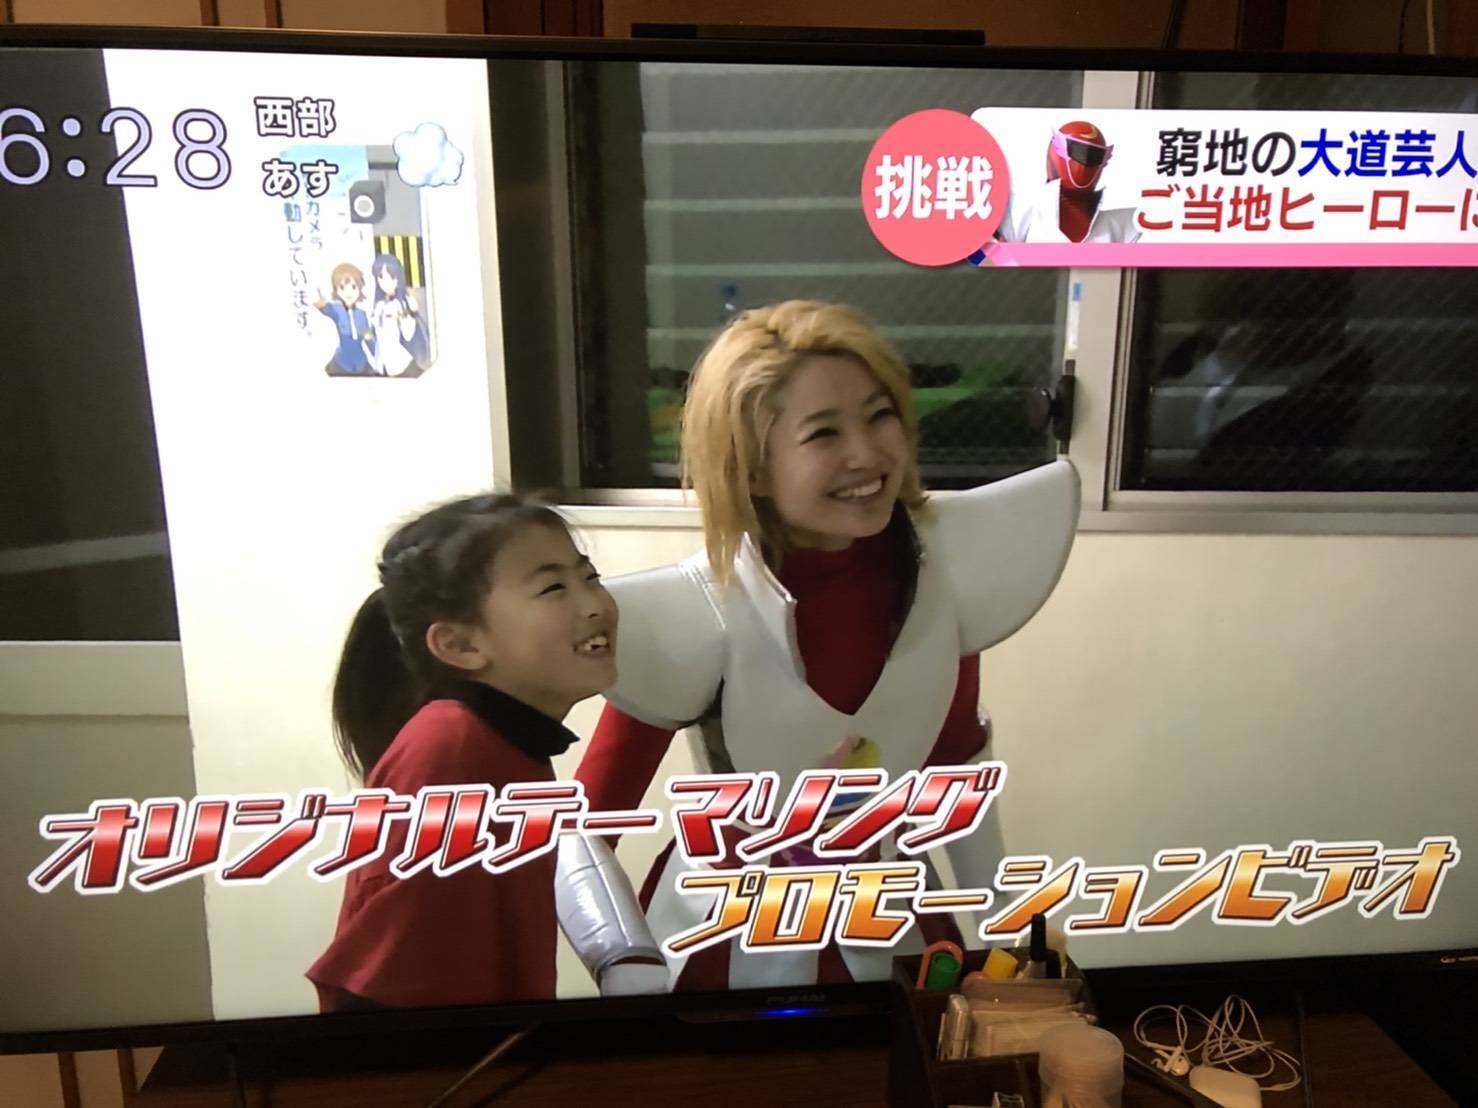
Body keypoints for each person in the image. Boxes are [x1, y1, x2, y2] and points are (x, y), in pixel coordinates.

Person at [575, 300, 1079, 990]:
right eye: (823, 433)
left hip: (896, 923)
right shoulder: (691, 613)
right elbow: (583, 826)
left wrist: (1008, 933)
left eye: (880, 415)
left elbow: (953, 770)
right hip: (725, 940)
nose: (866, 454)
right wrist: (620, 958)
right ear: (752, 468)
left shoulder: (944, 578)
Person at [308, 492, 664, 1011]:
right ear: (460, 646)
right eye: (553, 588)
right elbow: (395, 990)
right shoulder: (452, 753)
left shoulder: (501, 742)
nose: (595, 604)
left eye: (589, 577)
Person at [367, 253, 431, 377]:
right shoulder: (379, 305)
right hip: (381, 364)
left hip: (400, 364)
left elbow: (408, 334)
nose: (385, 282)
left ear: (398, 278)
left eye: (390, 277)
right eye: (381, 277)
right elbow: (374, 332)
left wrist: (410, 314)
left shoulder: (403, 303)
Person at [314, 263, 375, 376]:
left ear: (360, 288)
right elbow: (327, 309)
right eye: (342, 288)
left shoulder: (361, 315)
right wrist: (321, 305)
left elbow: (368, 338)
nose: (349, 292)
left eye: (353, 287)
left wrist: (378, 355)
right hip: (341, 363)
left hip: (361, 363)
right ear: (336, 290)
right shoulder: (337, 310)